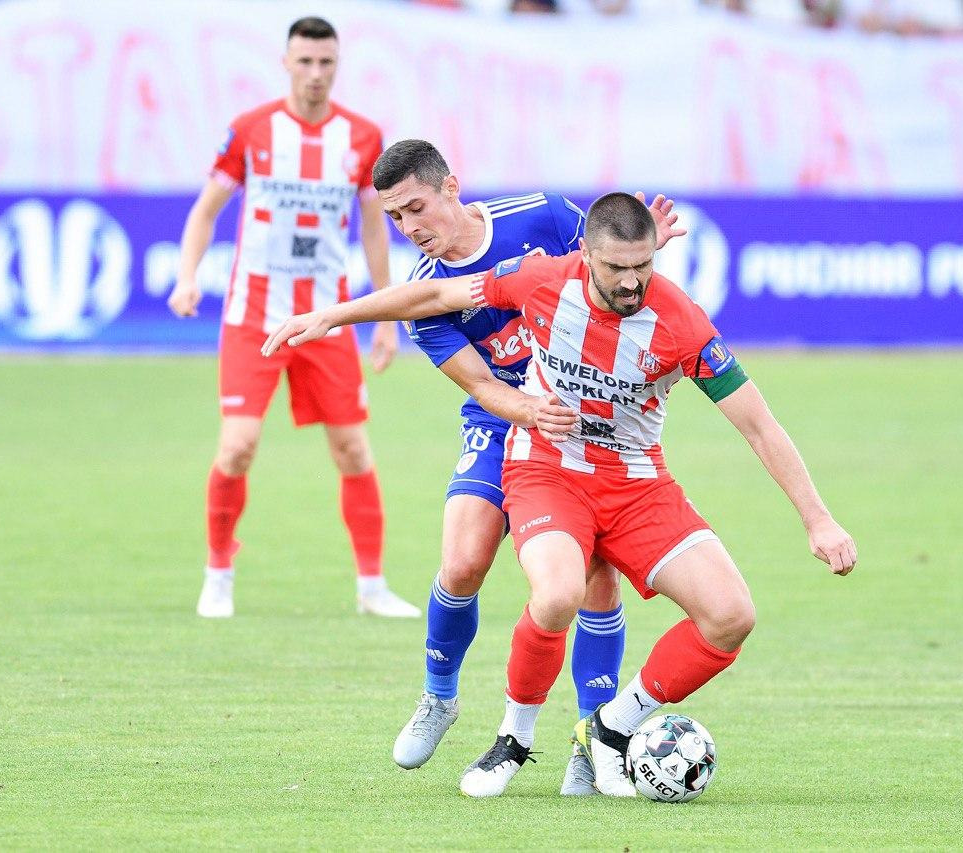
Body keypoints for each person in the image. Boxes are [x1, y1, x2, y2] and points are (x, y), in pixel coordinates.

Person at [261, 192, 858, 799]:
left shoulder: (683, 324)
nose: (632, 283)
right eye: (616, 267)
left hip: (637, 484)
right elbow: (434, 296)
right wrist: (333, 316)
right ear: (586, 256)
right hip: (549, 469)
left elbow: (759, 426)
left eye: (643, 266)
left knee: (732, 616)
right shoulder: (540, 279)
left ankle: (609, 727)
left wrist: (820, 521)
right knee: (557, 593)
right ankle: (512, 739)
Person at [369, 140, 685, 794]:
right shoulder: (425, 296)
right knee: (463, 561)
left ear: (451, 186)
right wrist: (528, 409)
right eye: (395, 216)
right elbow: (481, 385)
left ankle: (591, 737)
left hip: (585, 411)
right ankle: (439, 696)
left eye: (416, 207)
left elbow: (608, 272)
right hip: (505, 419)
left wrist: (646, 246)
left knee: (595, 575)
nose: (409, 226)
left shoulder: (540, 214)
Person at [167, 16, 419, 619]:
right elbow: (205, 211)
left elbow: (375, 230)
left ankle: (372, 587)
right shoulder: (251, 130)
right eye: (304, 61)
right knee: (237, 447)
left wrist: (385, 319)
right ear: (285, 63)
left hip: (324, 318)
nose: (315, 73)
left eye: (326, 62)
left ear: (338, 65)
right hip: (253, 315)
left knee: (352, 450)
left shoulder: (363, 137)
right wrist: (186, 276)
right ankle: (218, 574)